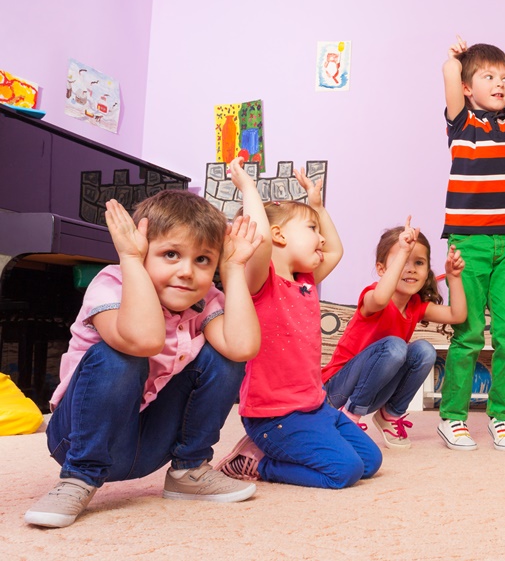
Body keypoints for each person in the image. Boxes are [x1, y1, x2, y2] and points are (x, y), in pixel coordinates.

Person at [25, 191, 263, 528]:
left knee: (224, 354)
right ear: (140, 249)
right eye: (170, 254)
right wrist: (131, 261)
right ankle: (78, 477)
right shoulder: (111, 283)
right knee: (121, 354)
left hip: (149, 444)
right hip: (78, 437)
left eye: (203, 260)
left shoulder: (207, 299)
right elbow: (145, 340)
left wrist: (235, 268)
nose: (187, 272)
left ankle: (189, 470)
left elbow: (242, 348)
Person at [217, 158, 382, 487]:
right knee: (344, 471)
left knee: (370, 461)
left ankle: (274, 452)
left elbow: (336, 251)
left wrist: (316, 208)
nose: (321, 240)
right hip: (275, 416)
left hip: (315, 406)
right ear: (277, 235)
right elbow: (259, 240)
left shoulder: (306, 282)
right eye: (311, 231)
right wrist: (249, 188)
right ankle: (257, 463)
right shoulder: (260, 283)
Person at [437, 36, 505, 451]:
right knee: (467, 336)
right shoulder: (461, 122)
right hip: (468, 244)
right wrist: (463, 66)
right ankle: (453, 417)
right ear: (467, 88)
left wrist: (497, 77)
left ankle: (501, 417)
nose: (502, 84)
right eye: (490, 78)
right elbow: (450, 72)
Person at [322, 218, 466, 448]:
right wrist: (404, 251)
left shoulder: (416, 305)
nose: (410, 268)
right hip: (336, 392)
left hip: (373, 392)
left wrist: (454, 277)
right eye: (402, 261)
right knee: (396, 346)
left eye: (418, 263)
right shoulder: (373, 296)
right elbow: (380, 299)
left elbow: (457, 315)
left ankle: (390, 414)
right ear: (381, 269)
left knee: (424, 350)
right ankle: (349, 416)